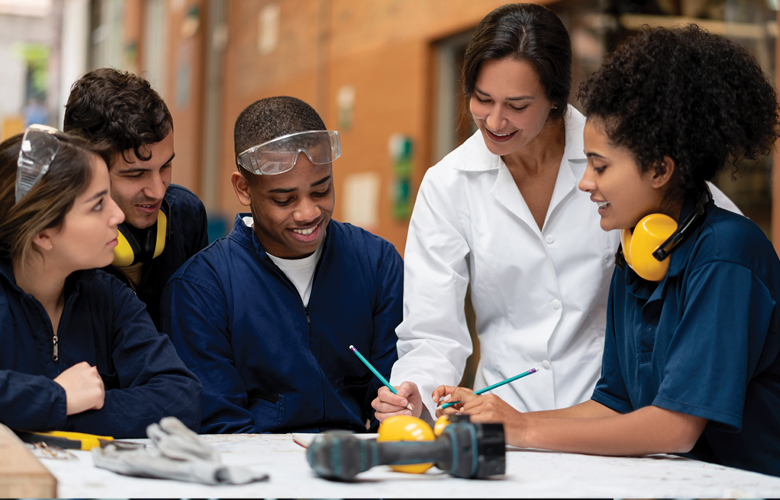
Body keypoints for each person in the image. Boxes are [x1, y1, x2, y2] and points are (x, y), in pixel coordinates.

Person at [435, 25, 780, 478]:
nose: (585, 182)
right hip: (682, 482)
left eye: (600, 166)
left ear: (660, 169)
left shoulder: (727, 257)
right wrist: (498, 416)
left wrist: (522, 430)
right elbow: (613, 404)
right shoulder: (637, 254)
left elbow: (675, 428)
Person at [375, 2, 739, 422]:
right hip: (505, 419)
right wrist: (413, 393)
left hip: (613, 419)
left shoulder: (617, 162)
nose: (495, 120)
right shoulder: (447, 185)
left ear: (554, 99)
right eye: (482, 99)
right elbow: (433, 333)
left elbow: (721, 237)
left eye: (517, 105)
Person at [161, 96, 403, 434]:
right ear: (243, 188)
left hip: (356, 471)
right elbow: (219, 428)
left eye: (321, 190)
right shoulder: (202, 288)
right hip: (256, 478)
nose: (308, 213)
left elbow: (394, 395)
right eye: (284, 199)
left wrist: (398, 408)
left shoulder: (376, 263)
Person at [0, 127, 201, 438]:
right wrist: (57, 398)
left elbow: (181, 399)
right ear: (42, 233)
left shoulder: (108, 296)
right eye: (97, 205)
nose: (117, 215)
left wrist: (44, 416)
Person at [63, 68, 209, 328]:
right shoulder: (53, 243)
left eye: (165, 167)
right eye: (136, 174)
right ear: (82, 169)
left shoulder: (187, 215)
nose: (158, 191)